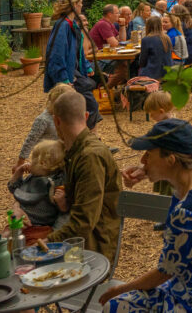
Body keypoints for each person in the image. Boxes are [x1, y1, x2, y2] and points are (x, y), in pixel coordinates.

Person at [103, 119, 192, 312]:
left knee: (114, 306)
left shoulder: (189, 213)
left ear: (171, 159)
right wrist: (146, 172)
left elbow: (165, 272)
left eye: (149, 154)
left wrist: (119, 289)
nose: (143, 160)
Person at [46, 90, 121, 262]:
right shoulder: (76, 151)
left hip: (94, 250)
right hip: (80, 242)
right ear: (86, 116)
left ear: (56, 121)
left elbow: (84, 222)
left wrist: (47, 241)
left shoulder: (90, 157)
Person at [43, 0, 101, 129]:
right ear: (74, 5)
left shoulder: (72, 24)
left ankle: (92, 142)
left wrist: (86, 66)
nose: (82, 5)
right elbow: (56, 55)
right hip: (67, 77)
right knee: (89, 106)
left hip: (74, 72)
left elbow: (78, 50)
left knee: (88, 105)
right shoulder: (62, 25)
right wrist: (63, 79)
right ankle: (87, 142)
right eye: (80, 2)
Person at [14, 83, 74, 174]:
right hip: (45, 161)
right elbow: (30, 141)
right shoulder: (43, 120)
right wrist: (20, 162)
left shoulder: (66, 117)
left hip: (61, 160)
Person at [8, 139, 67, 232]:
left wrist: (62, 203)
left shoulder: (55, 183)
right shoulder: (32, 177)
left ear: (42, 164)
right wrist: (19, 172)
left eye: (33, 160)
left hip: (40, 228)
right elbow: (14, 190)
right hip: (19, 223)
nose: (30, 162)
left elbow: (63, 212)